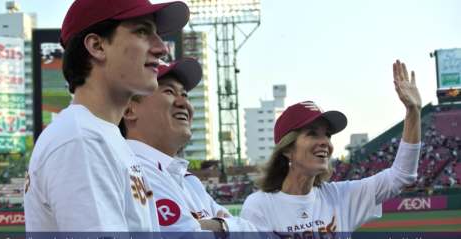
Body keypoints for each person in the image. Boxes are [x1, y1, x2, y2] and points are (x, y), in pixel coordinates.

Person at [24, 0, 189, 232]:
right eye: (142, 31)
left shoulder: (99, 135)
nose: (162, 48)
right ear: (97, 46)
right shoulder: (83, 140)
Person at [240, 60, 422, 237]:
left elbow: (401, 175)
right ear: (287, 149)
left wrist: (413, 112)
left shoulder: (340, 197)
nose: (325, 141)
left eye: (327, 134)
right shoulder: (259, 206)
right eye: (312, 133)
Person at [118, 57, 257, 236]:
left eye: (184, 95)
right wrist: (226, 226)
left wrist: (216, 228)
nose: (183, 103)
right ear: (128, 110)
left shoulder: (189, 180)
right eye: (168, 91)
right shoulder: (133, 168)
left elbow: (254, 232)